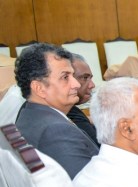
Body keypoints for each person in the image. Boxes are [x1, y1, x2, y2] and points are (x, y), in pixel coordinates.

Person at [14, 43, 99, 179]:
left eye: (72, 76)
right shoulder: (57, 131)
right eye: (65, 77)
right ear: (39, 88)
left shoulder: (29, 113)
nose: (76, 84)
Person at [67, 53, 99, 145]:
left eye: (90, 78)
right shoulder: (70, 113)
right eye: (85, 78)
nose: (92, 85)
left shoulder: (71, 110)